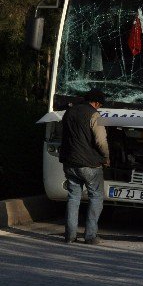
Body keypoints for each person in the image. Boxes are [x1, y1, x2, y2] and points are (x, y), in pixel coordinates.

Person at [59, 88, 109, 245]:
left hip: (69, 162)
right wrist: (106, 157)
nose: (99, 108)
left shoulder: (69, 112)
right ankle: (90, 236)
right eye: (99, 105)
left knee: (73, 197)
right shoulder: (94, 115)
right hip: (89, 165)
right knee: (96, 196)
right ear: (95, 103)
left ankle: (69, 236)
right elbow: (101, 141)